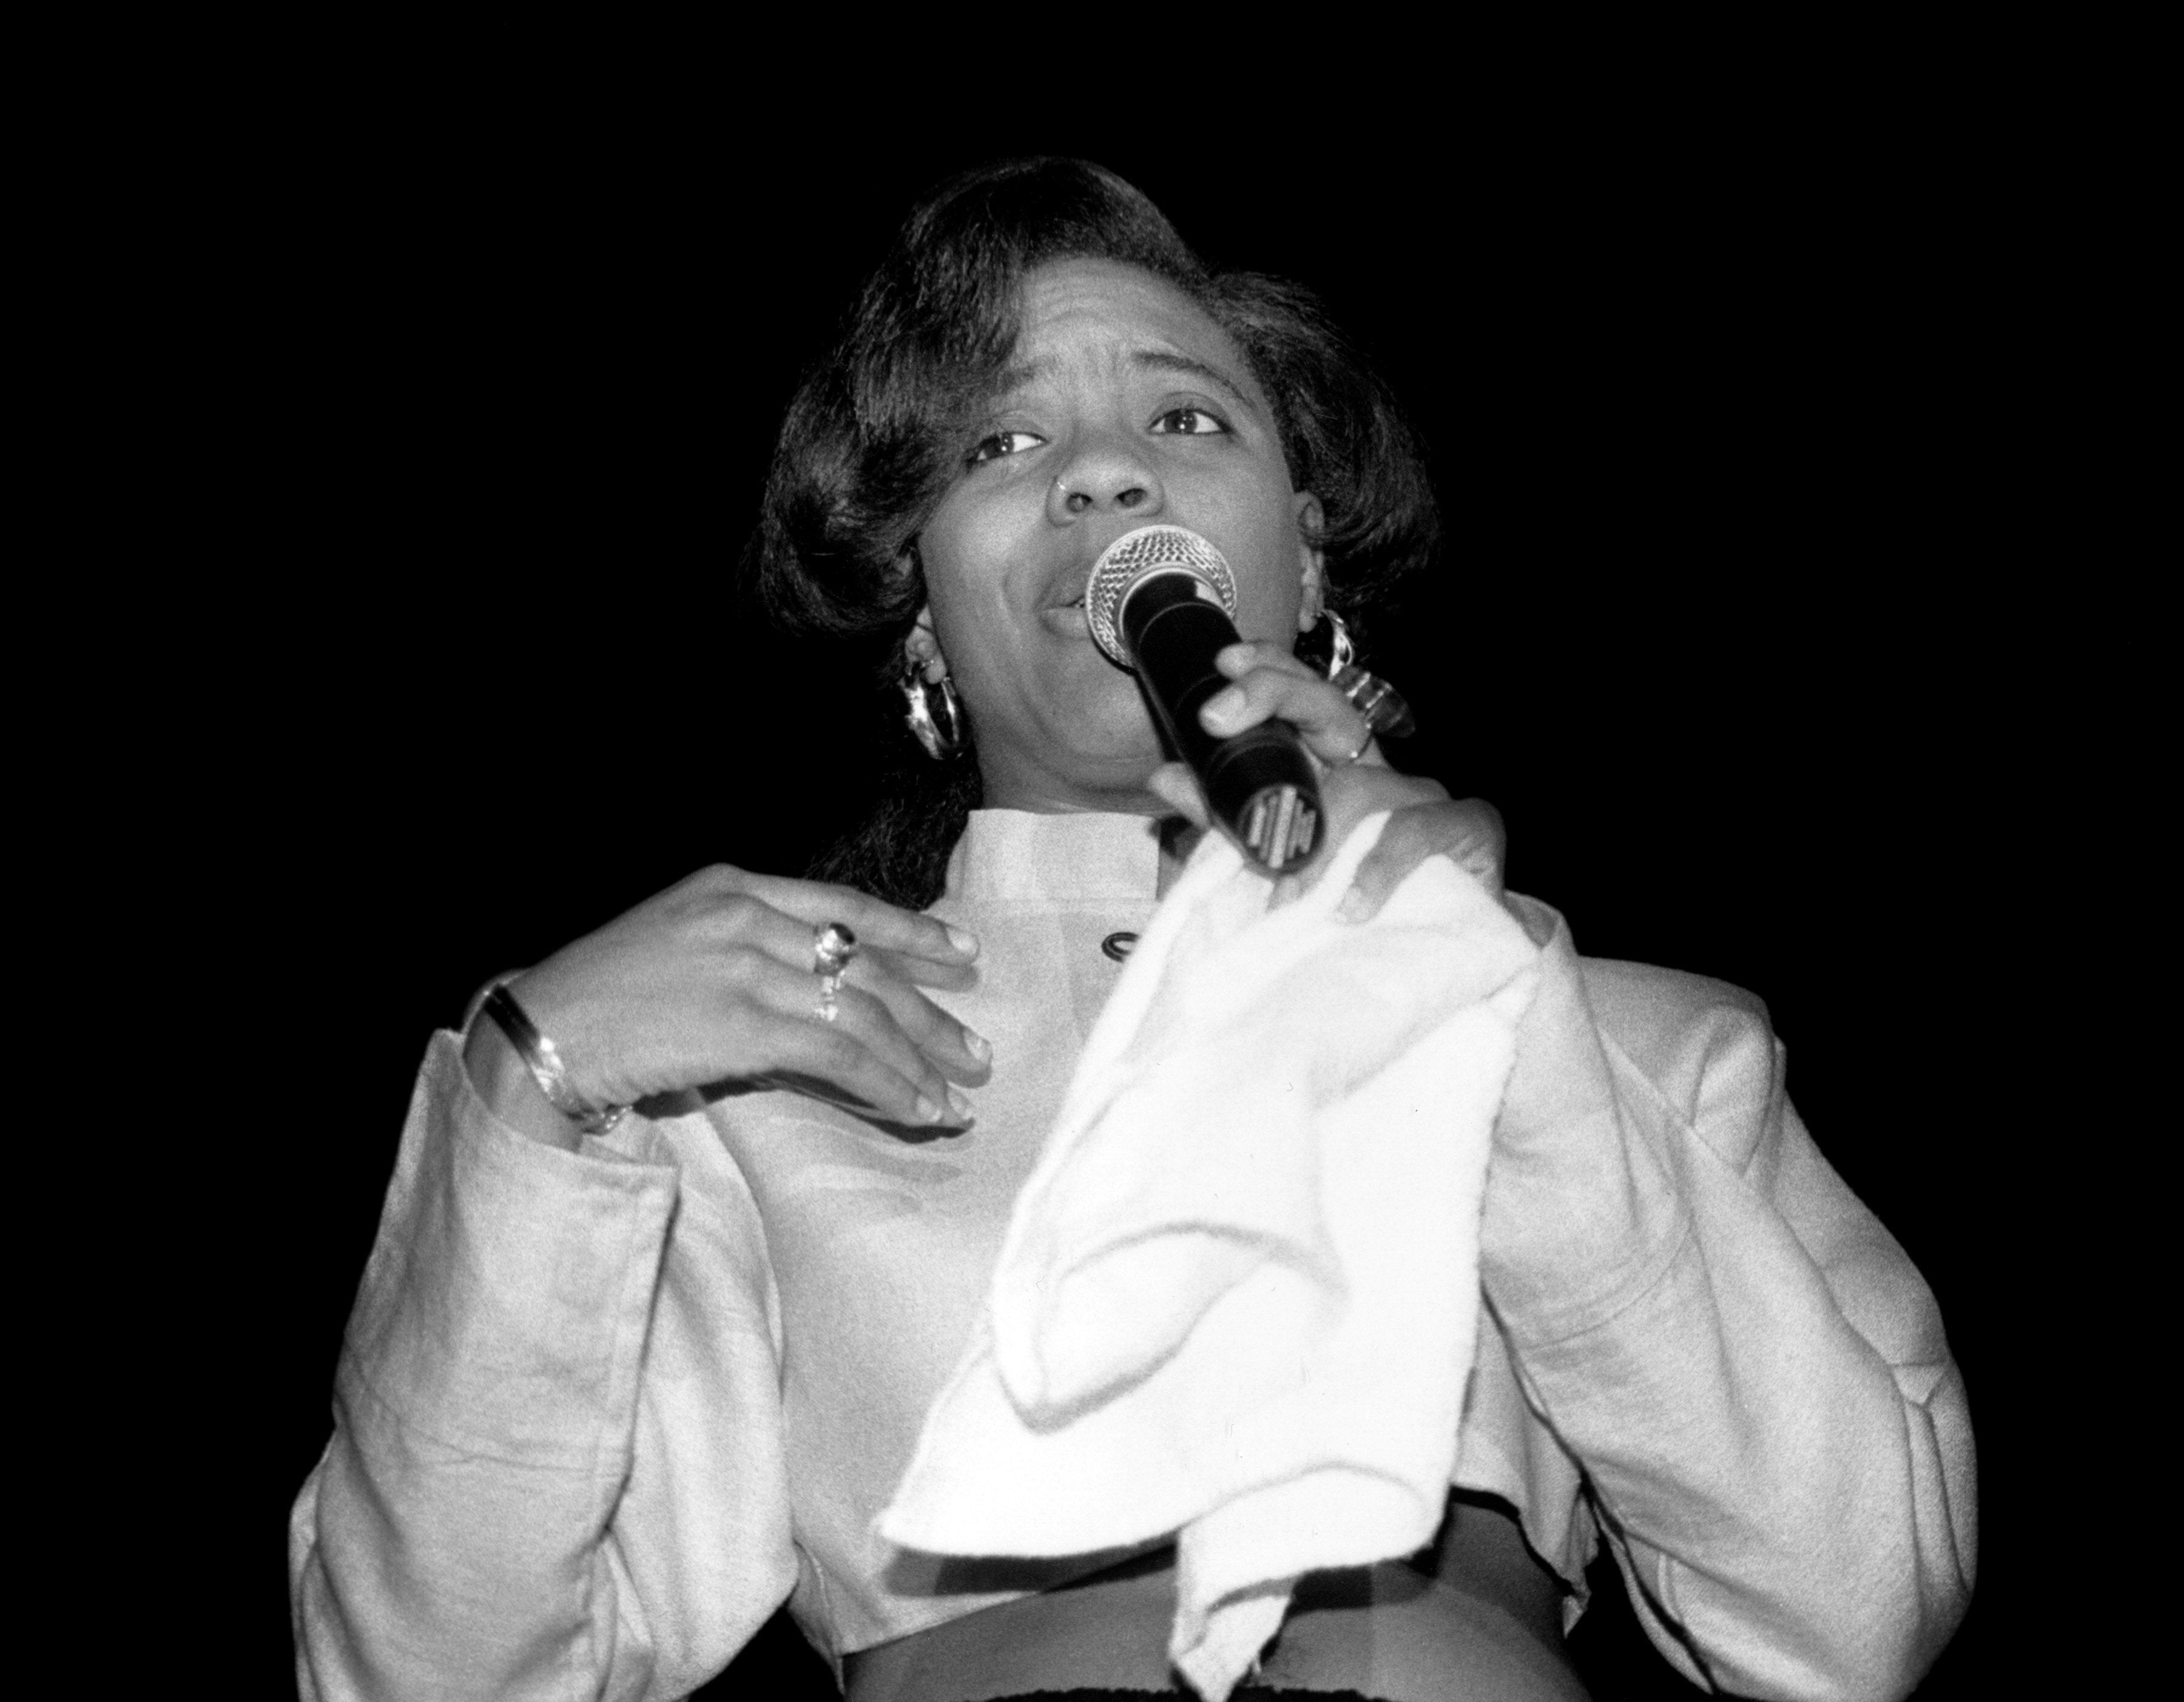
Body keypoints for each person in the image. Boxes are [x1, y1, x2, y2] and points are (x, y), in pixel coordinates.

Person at [289, 158, 1975, 1702]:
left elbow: (1853, 1623)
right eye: (1000, 447)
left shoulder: (1647, 1051)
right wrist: (533, 1088)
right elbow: (425, 1681)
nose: (1103, 472)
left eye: (1187, 422)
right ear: (924, 620)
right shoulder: (767, 1099)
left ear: (1306, 553)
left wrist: (1477, 992)